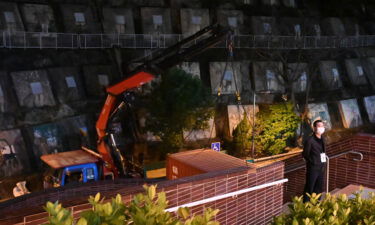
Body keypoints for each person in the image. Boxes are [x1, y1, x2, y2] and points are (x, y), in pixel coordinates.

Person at [302, 120, 327, 202]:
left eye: (322, 126)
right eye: (319, 126)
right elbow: (305, 154)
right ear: (314, 128)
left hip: (321, 167)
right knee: (310, 187)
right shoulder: (310, 140)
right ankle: (305, 205)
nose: (321, 128)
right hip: (313, 168)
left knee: (319, 187)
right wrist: (313, 161)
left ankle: (316, 203)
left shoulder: (322, 138)